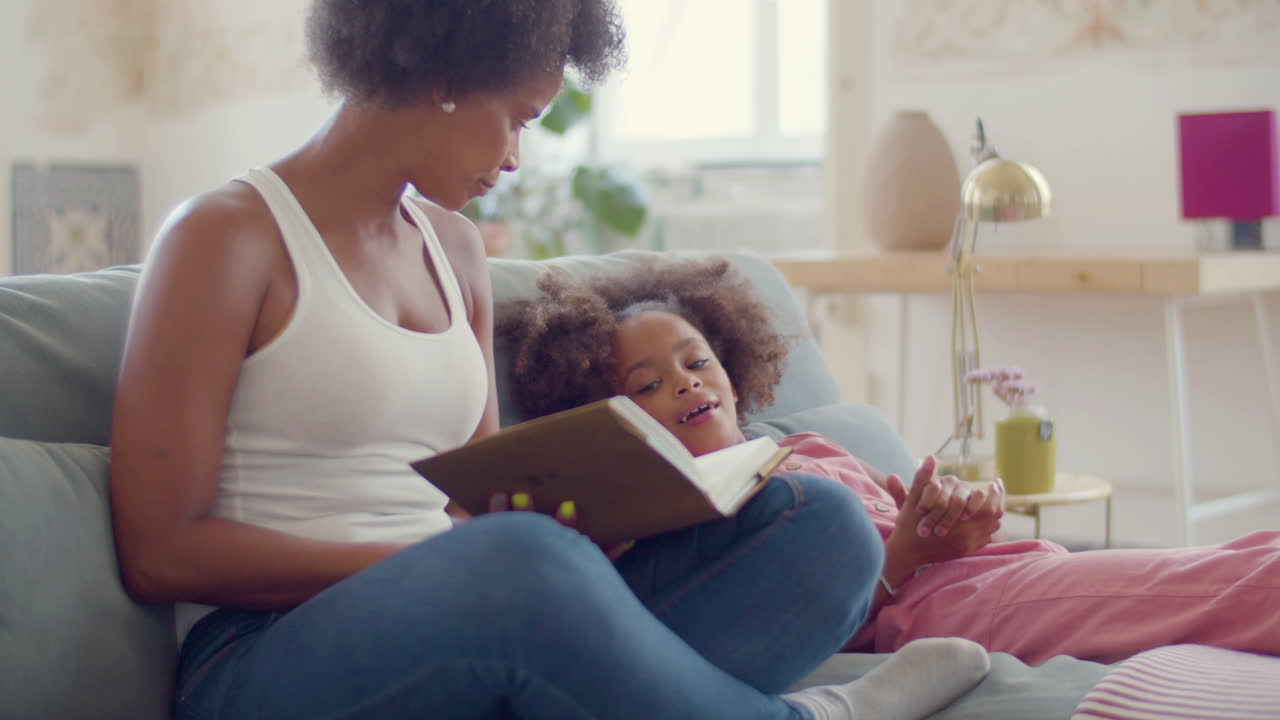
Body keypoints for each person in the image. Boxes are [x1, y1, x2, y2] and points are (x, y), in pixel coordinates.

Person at [108, 2, 991, 719]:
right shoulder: (225, 237)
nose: (515, 159)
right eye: (519, 119)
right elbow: (161, 552)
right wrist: (449, 564)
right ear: (446, 75)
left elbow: (476, 498)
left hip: (483, 618)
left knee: (820, 521)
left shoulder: (454, 252)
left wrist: (589, 527)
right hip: (270, 654)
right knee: (517, 566)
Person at [499, 255, 1280, 667]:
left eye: (697, 360)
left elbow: (918, 512)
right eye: (649, 384)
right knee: (1226, 583)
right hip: (945, 614)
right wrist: (911, 556)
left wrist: (966, 516)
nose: (686, 383)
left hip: (1005, 569)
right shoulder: (676, 511)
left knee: (1220, 564)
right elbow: (802, 615)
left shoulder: (806, 447)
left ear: (732, 366)